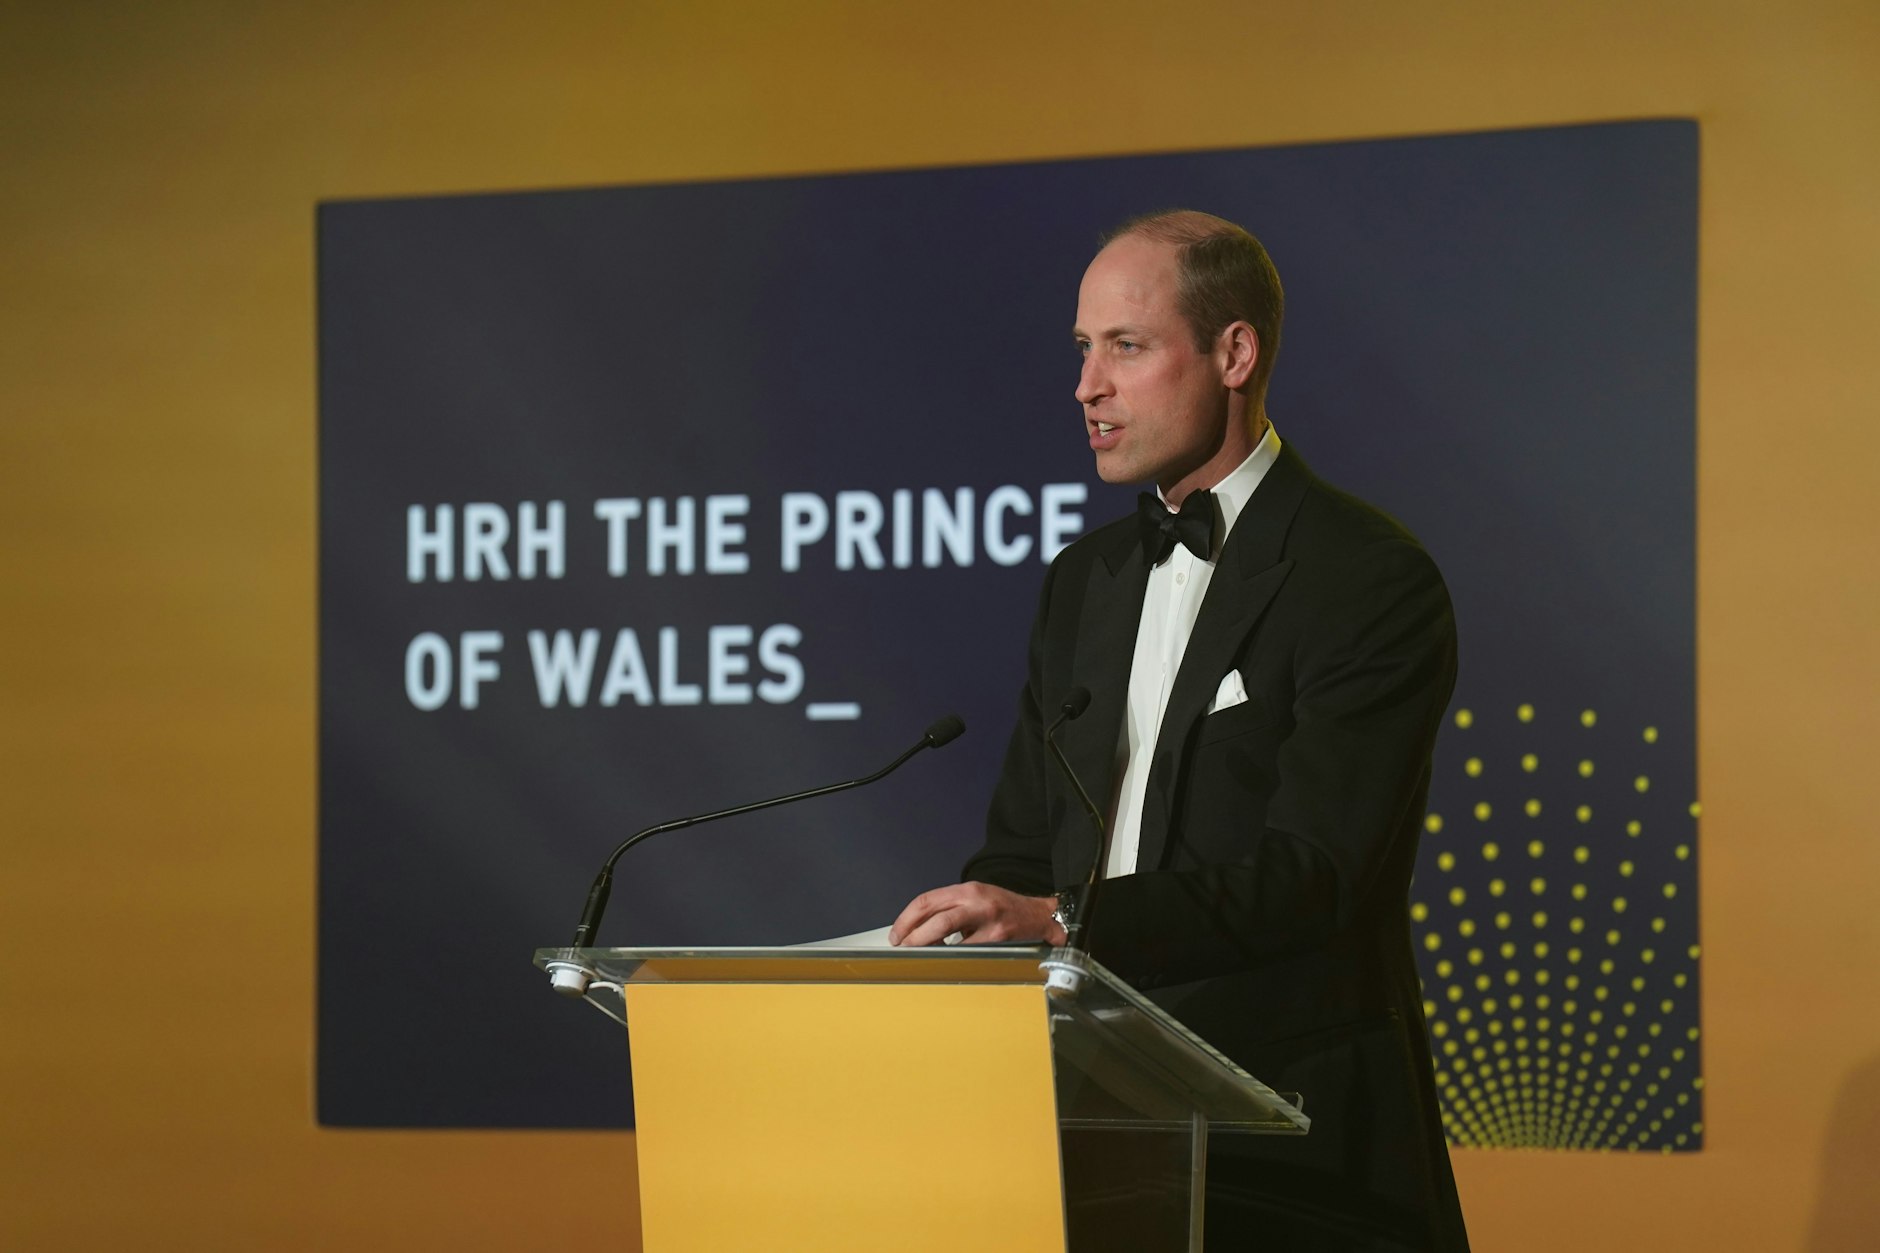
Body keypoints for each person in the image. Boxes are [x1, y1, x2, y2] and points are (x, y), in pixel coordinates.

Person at [890, 210, 1470, 1251]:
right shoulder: (1084, 582)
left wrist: (1066, 920)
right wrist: (980, 928)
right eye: (1081, 350)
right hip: (1083, 1146)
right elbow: (1021, 849)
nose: (1086, 387)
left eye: (1126, 345)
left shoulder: (1364, 578)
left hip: (1291, 1153)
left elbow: (1315, 873)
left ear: (1233, 351)